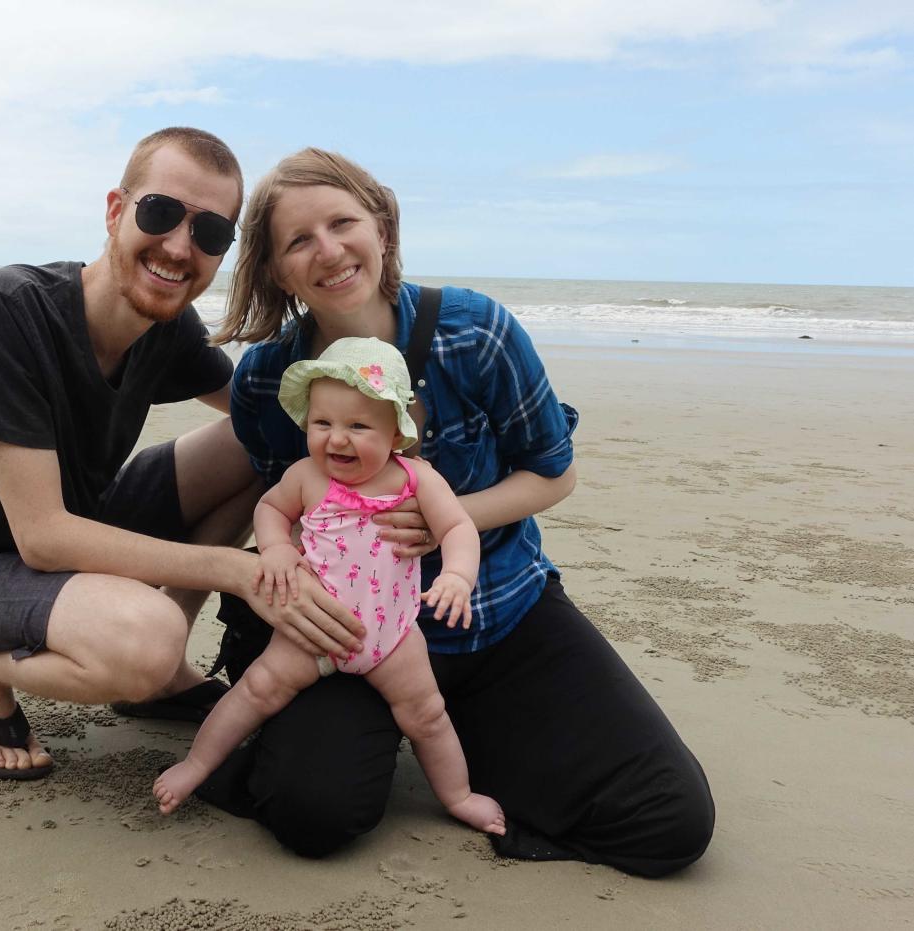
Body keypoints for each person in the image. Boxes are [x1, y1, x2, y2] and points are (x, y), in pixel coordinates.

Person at [196, 148, 715, 878]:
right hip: (348, 639)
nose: (329, 250)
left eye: (342, 222)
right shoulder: (265, 381)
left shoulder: (475, 331)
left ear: (380, 225)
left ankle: (459, 734)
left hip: (499, 610)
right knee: (312, 811)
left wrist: (446, 518)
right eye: (298, 240)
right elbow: (278, 506)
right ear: (276, 269)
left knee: (668, 821)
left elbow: (552, 472)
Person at [0, 128, 366, 781]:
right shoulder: (10, 310)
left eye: (209, 233)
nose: (179, 246)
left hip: (87, 518)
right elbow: (44, 539)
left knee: (264, 437)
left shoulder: (167, 326)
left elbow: (275, 414)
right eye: (159, 212)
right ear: (116, 210)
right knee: (144, 641)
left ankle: (163, 667)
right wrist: (236, 569)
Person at [154, 337, 504, 835]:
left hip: (392, 636)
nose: (336, 439)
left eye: (358, 426)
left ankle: (458, 796)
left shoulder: (416, 479)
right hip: (310, 628)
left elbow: (458, 528)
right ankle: (197, 765)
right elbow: (270, 510)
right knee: (256, 689)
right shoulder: (304, 477)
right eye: (323, 424)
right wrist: (275, 547)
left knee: (426, 715)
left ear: (396, 434)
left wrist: (456, 575)